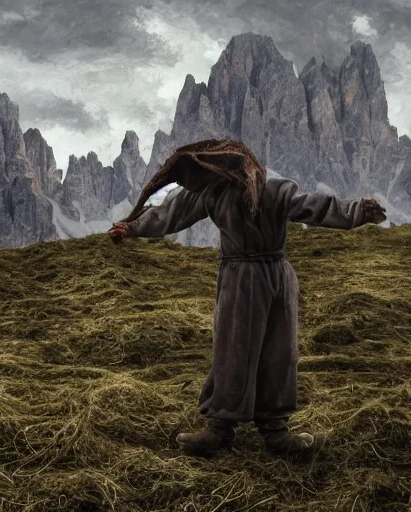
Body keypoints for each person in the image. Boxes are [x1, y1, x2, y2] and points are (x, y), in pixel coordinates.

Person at [108, 139, 387, 458]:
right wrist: (131, 227)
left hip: (274, 277)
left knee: (279, 352)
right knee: (232, 349)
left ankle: (275, 432)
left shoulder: (274, 190)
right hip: (240, 279)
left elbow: (315, 207)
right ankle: (220, 428)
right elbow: (171, 214)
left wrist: (358, 211)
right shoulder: (211, 191)